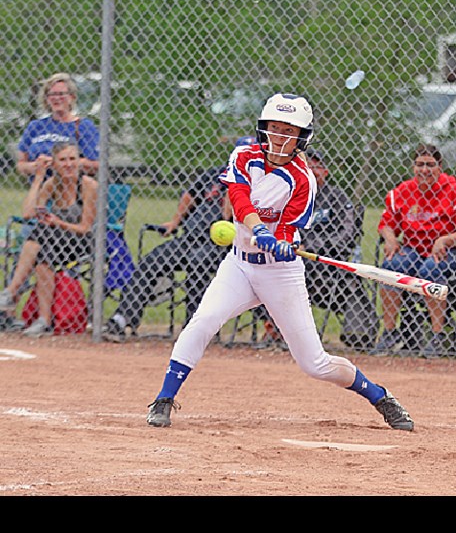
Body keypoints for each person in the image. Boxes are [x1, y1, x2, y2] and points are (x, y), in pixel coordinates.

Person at [143, 93, 414, 432]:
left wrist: (283, 243)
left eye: (289, 131)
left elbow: (288, 228)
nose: (280, 138)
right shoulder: (243, 156)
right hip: (239, 266)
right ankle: (165, 398)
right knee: (204, 320)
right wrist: (260, 230)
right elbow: (239, 200)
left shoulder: (304, 179)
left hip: (280, 273)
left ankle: (380, 396)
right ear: (263, 129)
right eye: (274, 128)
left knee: (314, 364)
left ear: (302, 137)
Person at [102, 138, 249, 342]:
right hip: (188, 239)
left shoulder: (255, 182)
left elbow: (228, 216)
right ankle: (123, 318)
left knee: (199, 263)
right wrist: (174, 222)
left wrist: (234, 189)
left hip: (221, 247)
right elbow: (190, 195)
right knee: (151, 261)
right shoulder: (215, 174)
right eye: (239, 154)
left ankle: (195, 328)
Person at [255, 148, 378, 350]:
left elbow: (346, 235)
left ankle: (290, 332)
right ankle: (277, 329)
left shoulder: (337, 197)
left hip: (323, 265)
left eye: (317, 166)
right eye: (307, 165)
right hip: (286, 259)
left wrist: (310, 246)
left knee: (296, 270)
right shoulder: (287, 194)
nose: (311, 169)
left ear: (326, 172)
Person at [372, 144, 456, 357]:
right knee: (391, 266)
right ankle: (390, 332)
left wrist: (445, 240)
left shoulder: (455, 192)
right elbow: (386, 223)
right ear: (413, 167)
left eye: (430, 165)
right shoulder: (403, 191)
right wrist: (391, 239)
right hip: (414, 247)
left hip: (453, 252)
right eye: (420, 164)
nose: (425, 170)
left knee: (430, 269)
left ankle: (437, 334)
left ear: (440, 167)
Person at [0, 141, 98, 336]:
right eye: (63, 160)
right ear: (54, 164)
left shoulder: (88, 185)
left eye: (72, 159)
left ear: (79, 161)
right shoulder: (52, 184)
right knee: (42, 249)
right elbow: (28, 214)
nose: (69, 164)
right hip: (53, 242)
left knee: (41, 234)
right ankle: (43, 320)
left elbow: (85, 228)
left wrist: (57, 222)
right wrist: (38, 178)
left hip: (83, 242)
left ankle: (11, 292)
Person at [16, 73, 100, 182]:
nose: (56, 98)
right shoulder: (36, 126)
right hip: (39, 189)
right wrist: (36, 166)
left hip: (70, 191)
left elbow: (95, 166)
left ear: (72, 97)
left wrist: (57, 162)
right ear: (46, 99)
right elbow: (21, 164)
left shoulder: (83, 126)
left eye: (61, 94)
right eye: (52, 94)